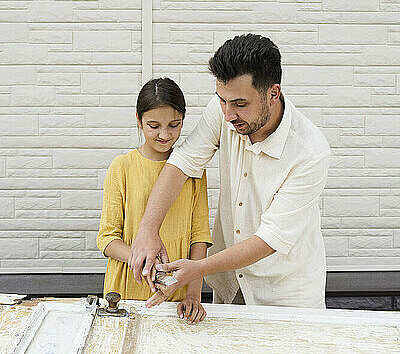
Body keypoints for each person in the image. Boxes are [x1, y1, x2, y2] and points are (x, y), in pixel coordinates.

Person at [128, 34, 331, 310]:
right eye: (221, 100)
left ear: (273, 94)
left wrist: (197, 268)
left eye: (239, 104)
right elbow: (185, 161)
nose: (227, 114)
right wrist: (147, 230)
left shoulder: (310, 151)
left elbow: (270, 238)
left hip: (286, 295)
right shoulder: (225, 108)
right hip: (230, 283)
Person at [97, 77, 212, 324]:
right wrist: (146, 264)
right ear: (138, 120)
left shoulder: (194, 171)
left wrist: (193, 294)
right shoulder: (122, 167)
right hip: (127, 289)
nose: (164, 134)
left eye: (174, 125)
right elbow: (107, 239)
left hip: (176, 295)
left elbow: (199, 237)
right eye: (153, 125)